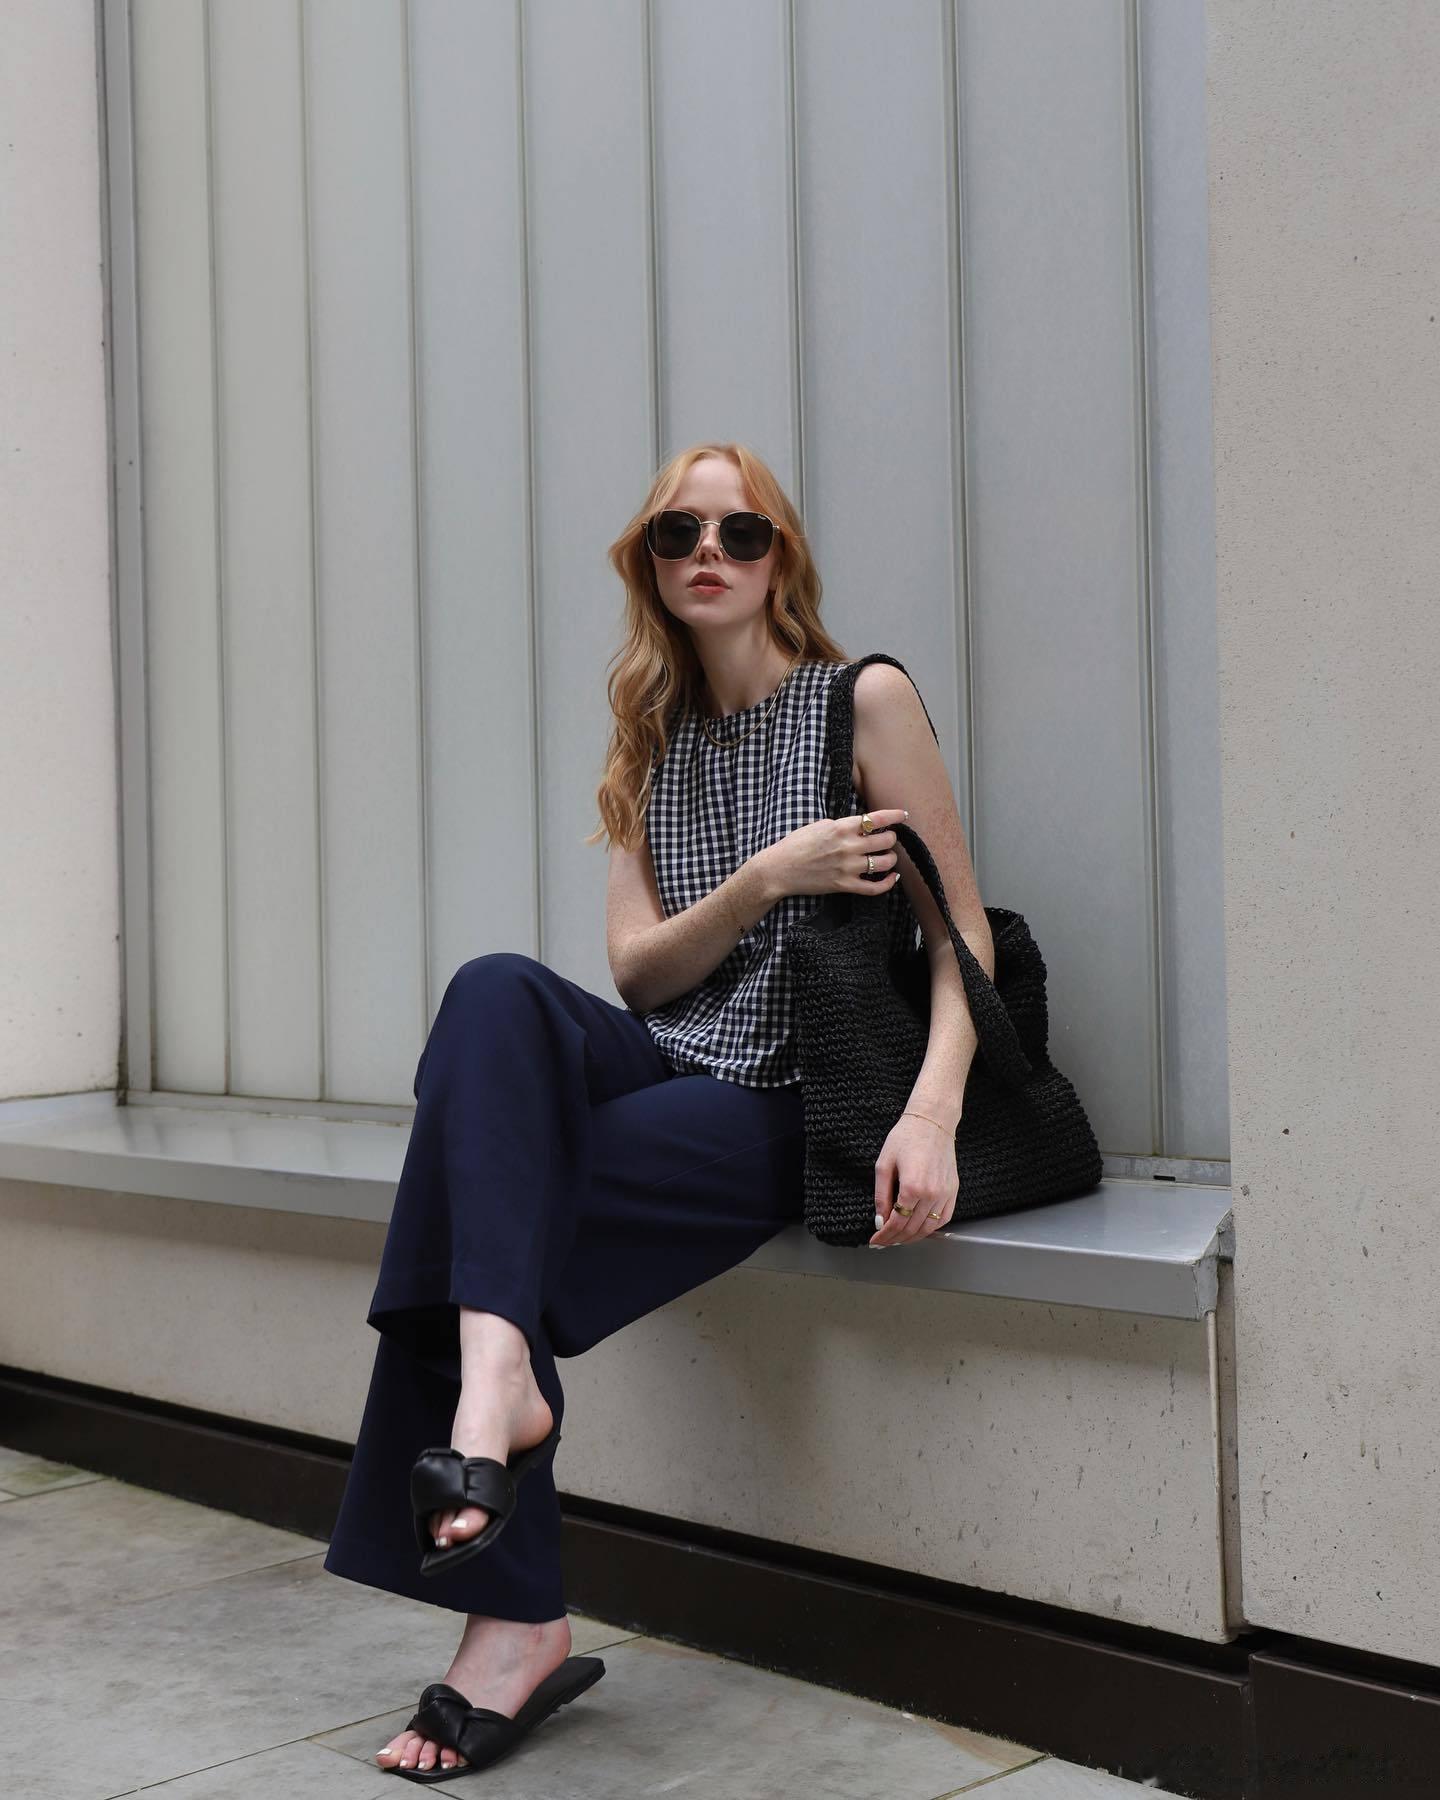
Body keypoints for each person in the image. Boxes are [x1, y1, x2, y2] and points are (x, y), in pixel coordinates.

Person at [322, 440, 985, 1780]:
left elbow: (959, 939)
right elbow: (640, 974)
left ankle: (514, 1614)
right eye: (680, 532)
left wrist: (931, 1117)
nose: (710, 553)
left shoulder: (863, 701)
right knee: (492, 992)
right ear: (649, 562)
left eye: (742, 533)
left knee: (474, 1194)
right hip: (673, 1052)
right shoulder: (646, 733)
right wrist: (764, 880)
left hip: (790, 1094)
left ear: (781, 559)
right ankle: (500, 1382)